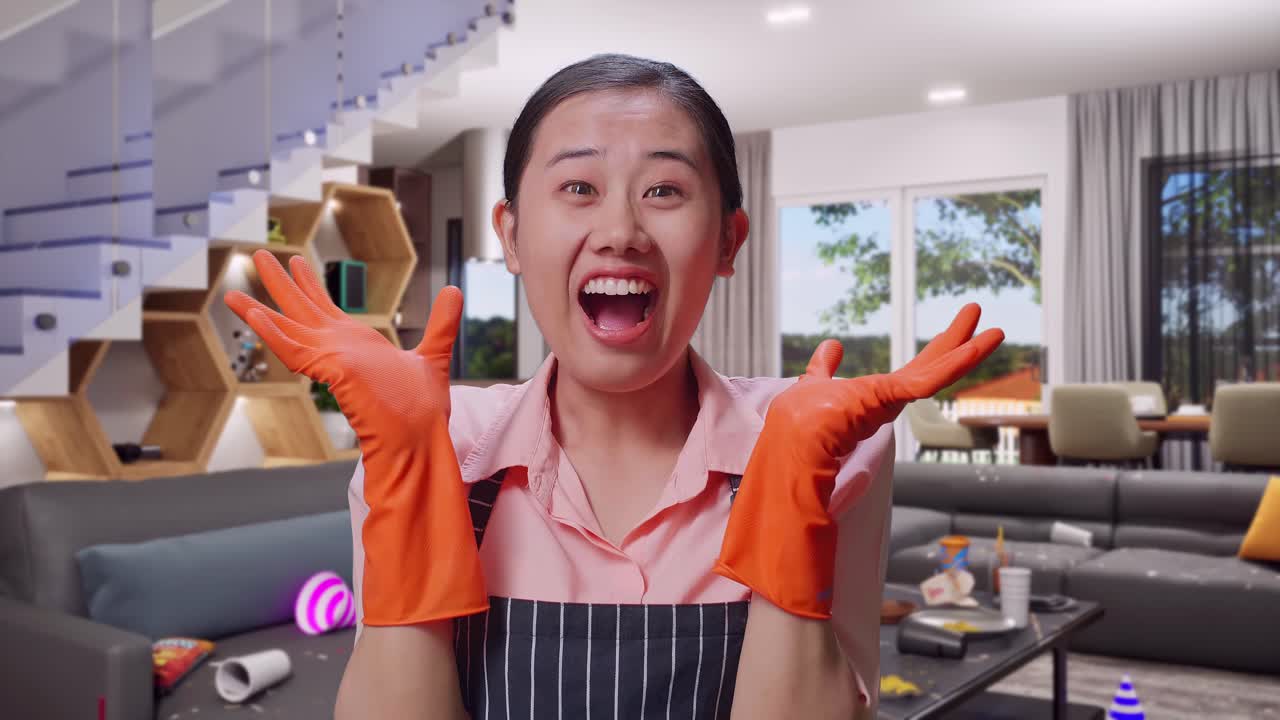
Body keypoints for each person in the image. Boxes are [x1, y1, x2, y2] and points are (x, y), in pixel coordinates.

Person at [225, 53, 1002, 719]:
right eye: (578, 189)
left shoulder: (825, 443)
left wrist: (791, 485)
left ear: (729, 240)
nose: (622, 230)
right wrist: (408, 474)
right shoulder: (434, 444)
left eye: (664, 190)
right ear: (512, 235)